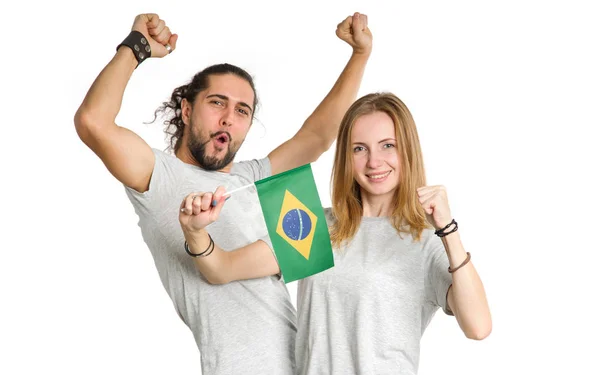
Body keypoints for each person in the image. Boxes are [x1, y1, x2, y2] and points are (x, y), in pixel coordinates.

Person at [74, 12, 372, 375]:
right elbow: (93, 122)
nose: (229, 118)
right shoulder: (159, 175)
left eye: (242, 110)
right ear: (186, 110)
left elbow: (318, 137)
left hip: (305, 362)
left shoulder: (257, 177)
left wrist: (359, 55)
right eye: (217, 103)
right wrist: (136, 48)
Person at [180, 93, 491, 375]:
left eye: (388, 145)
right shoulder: (315, 226)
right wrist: (195, 231)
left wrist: (447, 230)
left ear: (407, 150)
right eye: (360, 149)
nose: (374, 161)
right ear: (346, 156)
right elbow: (222, 269)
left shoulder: (423, 241)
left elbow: (478, 327)